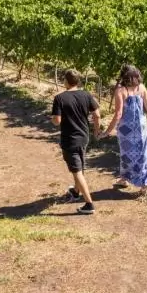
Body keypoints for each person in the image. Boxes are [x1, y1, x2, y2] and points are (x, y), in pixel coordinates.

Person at [103, 64, 147, 193]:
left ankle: (125, 179)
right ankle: (144, 186)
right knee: (143, 154)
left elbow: (118, 114)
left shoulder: (121, 91)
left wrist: (107, 131)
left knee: (126, 155)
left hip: (126, 130)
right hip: (141, 128)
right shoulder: (142, 88)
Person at [51, 69, 100, 214]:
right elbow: (97, 114)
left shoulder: (60, 98)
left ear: (66, 81)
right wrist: (96, 130)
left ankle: (89, 204)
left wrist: (53, 119)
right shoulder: (86, 94)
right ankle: (76, 191)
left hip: (70, 139)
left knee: (76, 171)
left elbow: (57, 121)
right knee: (80, 164)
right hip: (84, 137)